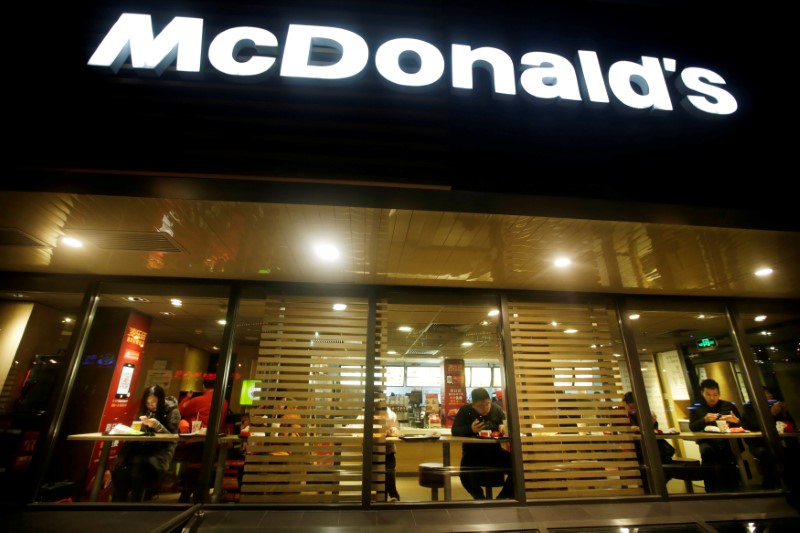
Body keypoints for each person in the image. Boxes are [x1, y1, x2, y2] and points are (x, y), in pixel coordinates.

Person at [111, 384, 180, 502]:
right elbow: (136, 431)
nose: (150, 406)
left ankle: (134, 507)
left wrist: (156, 425)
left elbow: (172, 437)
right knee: (119, 471)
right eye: (147, 403)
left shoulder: (172, 411)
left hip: (158, 453)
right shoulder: (144, 410)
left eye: (153, 402)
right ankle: (117, 507)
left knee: (138, 471)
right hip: (138, 450)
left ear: (161, 400)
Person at [451, 387, 514, 500]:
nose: (485, 408)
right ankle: (480, 499)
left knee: (517, 467)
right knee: (465, 475)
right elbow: (455, 430)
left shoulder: (497, 409)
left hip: (495, 452)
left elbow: (507, 426)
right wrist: (470, 429)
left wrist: (504, 427)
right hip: (472, 453)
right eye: (480, 405)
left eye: (487, 404)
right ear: (473, 405)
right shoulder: (465, 411)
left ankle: (501, 499)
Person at [175, 378, 229, 503]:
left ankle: (186, 496)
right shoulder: (223, 401)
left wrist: (187, 398)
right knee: (205, 467)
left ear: (204, 387)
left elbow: (181, 410)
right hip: (213, 439)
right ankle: (200, 496)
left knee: (193, 468)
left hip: (197, 438)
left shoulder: (200, 400)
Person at [688, 378, 747, 492]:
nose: (712, 398)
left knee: (730, 459)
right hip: (707, 442)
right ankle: (711, 491)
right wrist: (704, 420)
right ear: (702, 393)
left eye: (715, 394)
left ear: (719, 393)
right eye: (708, 394)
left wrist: (737, 421)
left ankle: (734, 489)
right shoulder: (697, 408)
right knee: (707, 456)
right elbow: (692, 427)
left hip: (728, 442)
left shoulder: (728, 406)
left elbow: (744, 425)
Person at [622, 392, 675, 480]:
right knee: (655, 457)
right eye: (631, 408)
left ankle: (657, 480)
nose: (633, 410)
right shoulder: (618, 413)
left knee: (661, 457)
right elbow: (615, 430)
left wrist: (653, 422)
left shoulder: (640, 411)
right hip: (633, 445)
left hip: (644, 444)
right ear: (624, 404)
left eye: (635, 408)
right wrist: (628, 429)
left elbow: (651, 429)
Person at [384, 406, 401, 502]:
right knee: (385, 474)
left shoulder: (390, 414)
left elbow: (396, 429)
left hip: (388, 449)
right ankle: (392, 495)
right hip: (371, 450)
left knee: (389, 473)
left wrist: (392, 430)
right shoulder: (365, 412)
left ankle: (392, 496)